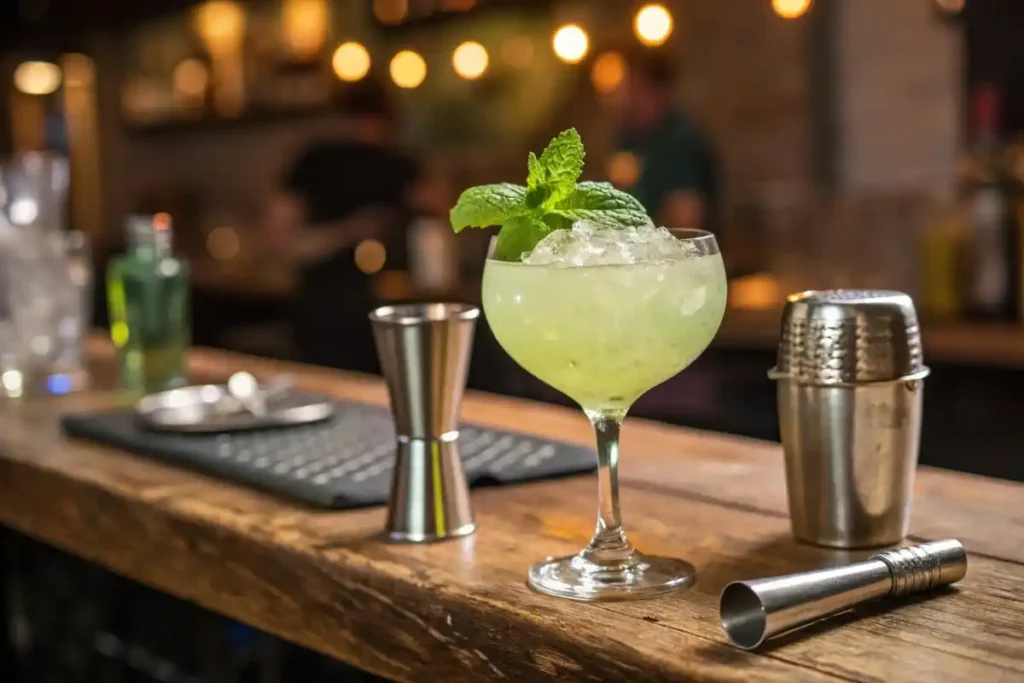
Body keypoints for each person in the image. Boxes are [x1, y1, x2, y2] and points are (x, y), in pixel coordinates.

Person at [266, 77, 424, 373]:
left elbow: (280, 240)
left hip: (364, 306)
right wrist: (352, 231)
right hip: (344, 310)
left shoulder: (393, 163)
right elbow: (282, 244)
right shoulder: (318, 161)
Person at [615, 50, 720, 232]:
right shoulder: (628, 138)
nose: (625, 99)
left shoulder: (680, 142)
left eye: (634, 89)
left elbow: (685, 224)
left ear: (660, 92)